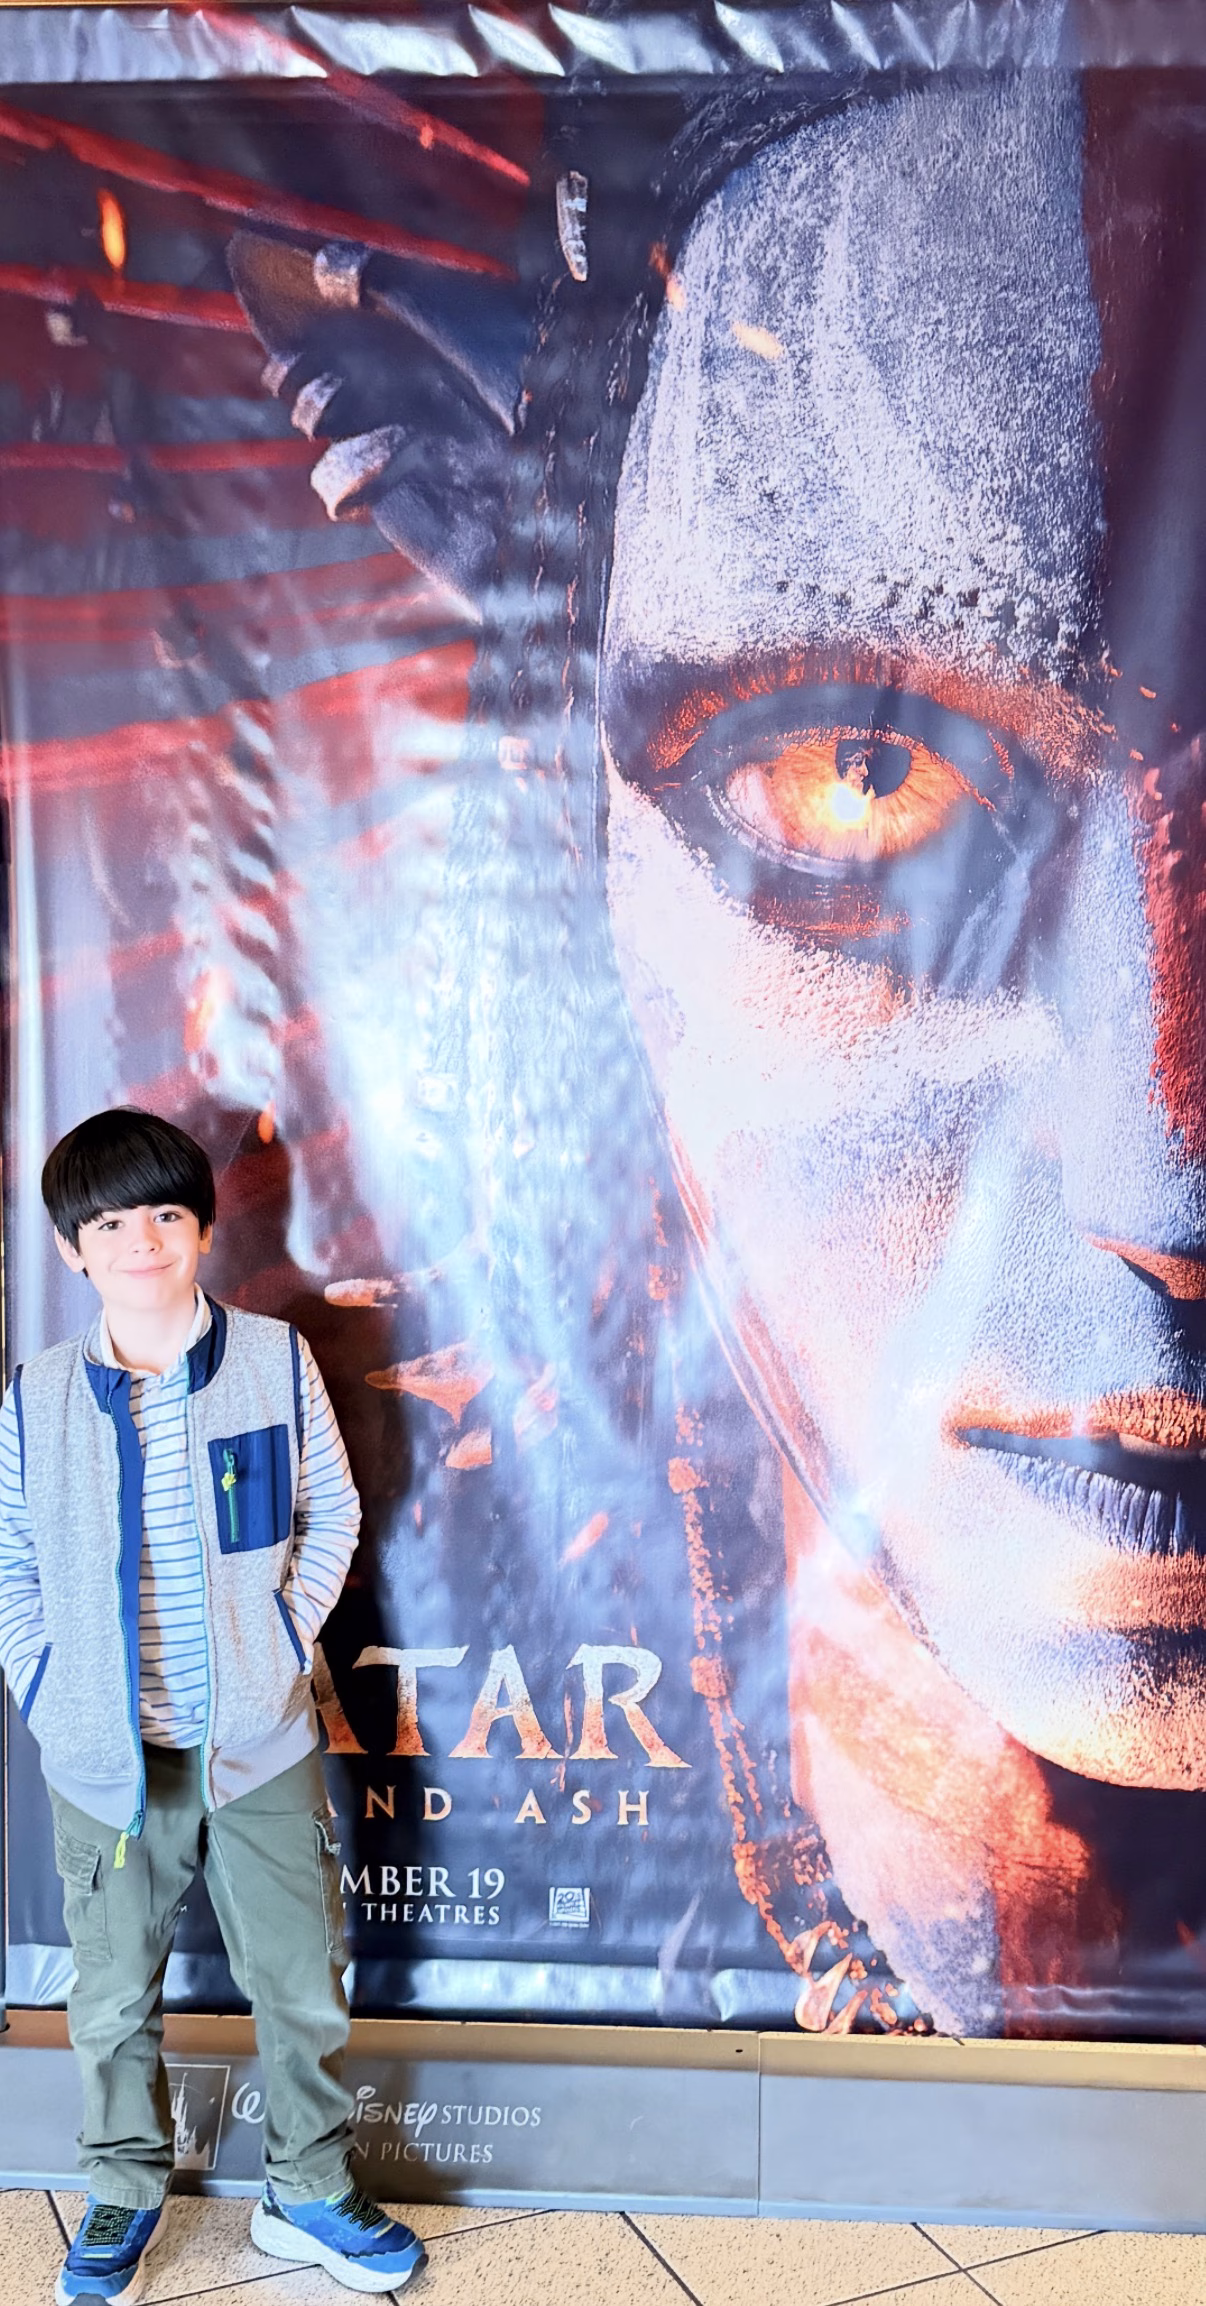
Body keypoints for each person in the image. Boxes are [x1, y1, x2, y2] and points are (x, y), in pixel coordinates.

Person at [0, 1108, 426, 2301]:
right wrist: (50, 1686)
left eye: (164, 1214)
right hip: (106, 1753)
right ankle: (123, 2188)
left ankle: (308, 2187)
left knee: (300, 1979)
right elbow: (12, 1561)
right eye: (109, 1223)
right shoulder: (36, 1394)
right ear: (72, 1247)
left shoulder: (273, 1359)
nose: (140, 1240)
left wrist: (276, 1646)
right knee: (110, 1997)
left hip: (255, 1739)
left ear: (201, 1228)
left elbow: (331, 1514)